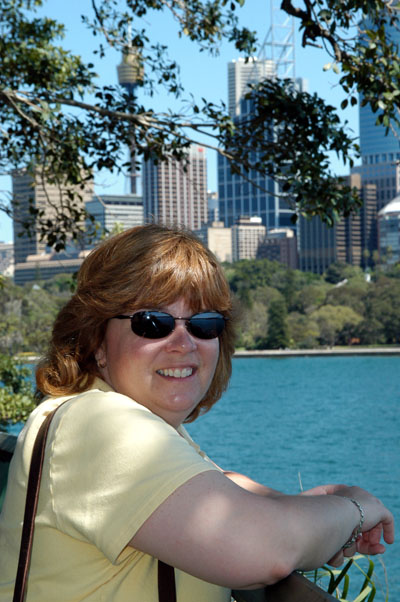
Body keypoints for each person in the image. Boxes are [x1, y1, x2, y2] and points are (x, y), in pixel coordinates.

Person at [0, 224, 394, 602]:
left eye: (205, 323)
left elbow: (216, 485)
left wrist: (317, 507)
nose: (183, 343)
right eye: (153, 322)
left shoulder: (117, 422)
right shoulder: (98, 424)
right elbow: (258, 549)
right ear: (97, 341)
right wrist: (355, 510)